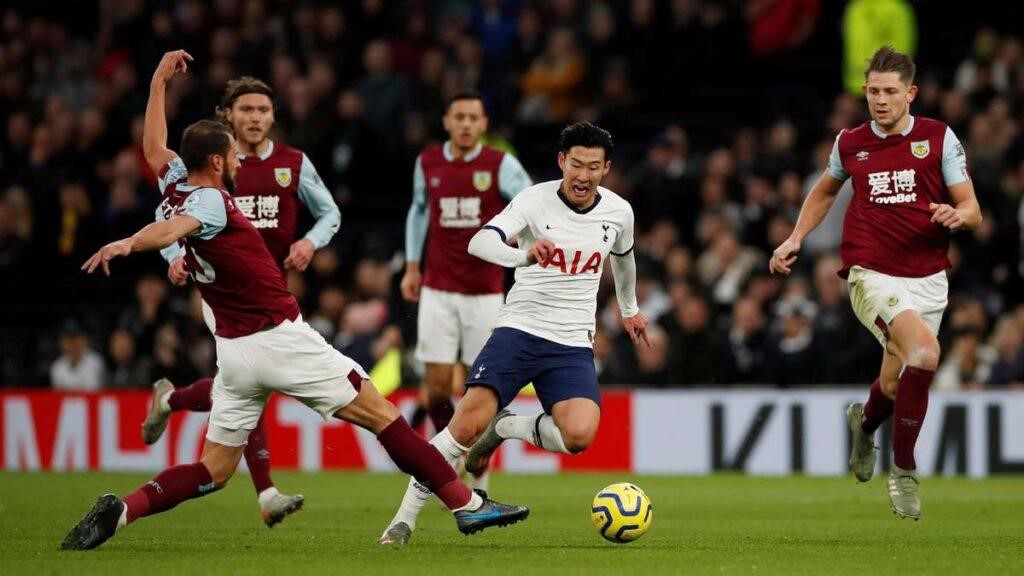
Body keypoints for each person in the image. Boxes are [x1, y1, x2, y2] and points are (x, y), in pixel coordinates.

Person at [60, 50, 528, 552]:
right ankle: (466, 505)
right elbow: (176, 227)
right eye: (234, 155)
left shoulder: (174, 181)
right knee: (384, 417)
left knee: (214, 470)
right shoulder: (214, 200)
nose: (241, 159)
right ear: (217, 162)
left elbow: (154, 146)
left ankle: (125, 509)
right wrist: (128, 243)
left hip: (235, 354)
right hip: (280, 337)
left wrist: (157, 83)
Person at [380, 122, 648, 546]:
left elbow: (624, 260)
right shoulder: (533, 200)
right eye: (576, 164)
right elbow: (479, 243)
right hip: (519, 330)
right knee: (464, 426)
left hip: (572, 341)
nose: (583, 175)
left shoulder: (619, 212)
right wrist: (522, 256)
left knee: (579, 435)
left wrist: (630, 309)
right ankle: (403, 520)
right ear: (562, 161)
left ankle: (506, 428)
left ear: (606, 168)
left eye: (593, 167)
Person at [769, 46, 981, 520]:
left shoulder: (938, 138)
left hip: (928, 278)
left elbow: (972, 208)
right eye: (873, 92)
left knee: (892, 385)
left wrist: (956, 213)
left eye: (890, 92)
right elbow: (824, 191)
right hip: (871, 273)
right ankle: (903, 469)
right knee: (925, 354)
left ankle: (864, 425)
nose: (880, 100)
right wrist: (795, 237)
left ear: (911, 93)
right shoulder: (849, 143)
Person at [140, 75, 342, 526]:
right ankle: (266, 490)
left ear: (274, 117)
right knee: (250, 381)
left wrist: (310, 242)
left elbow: (330, 212)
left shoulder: (293, 163)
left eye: (264, 110)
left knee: (246, 384)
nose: (255, 117)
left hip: (273, 292)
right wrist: (174, 255)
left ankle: (171, 400)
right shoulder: (210, 163)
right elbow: (167, 213)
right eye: (246, 110)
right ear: (227, 116)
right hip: (222, 292)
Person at [401, 90, 531, 488]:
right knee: (438, 386)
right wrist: (411, 266)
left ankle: (479, 473)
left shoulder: (499, 164)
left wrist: (520, 241)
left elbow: (531, 204)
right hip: (438, 289)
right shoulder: (428, 161)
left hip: (485, 293)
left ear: (484, 124)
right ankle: (451, 456)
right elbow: (419, 210)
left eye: (473, 117)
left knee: (484, 390)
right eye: (459, 117)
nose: (466, 124)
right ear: (446, 121)